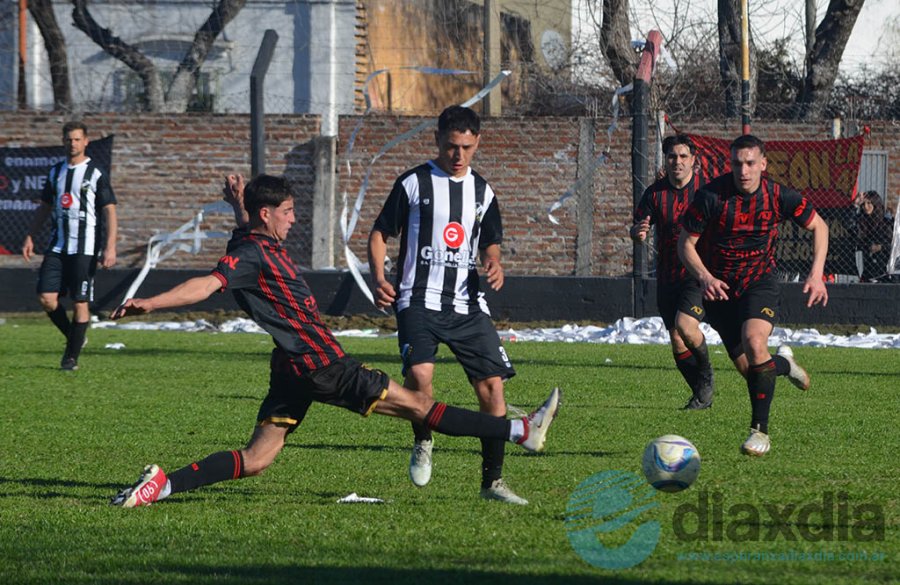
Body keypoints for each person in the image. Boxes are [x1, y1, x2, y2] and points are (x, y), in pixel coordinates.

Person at [109, 173, 560, 508]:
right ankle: (519, 430)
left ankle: (161, 486)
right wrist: (151, 303)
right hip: (322, 365)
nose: (294, 217)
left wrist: (237, 204)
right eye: (287, 211)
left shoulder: (252, 238)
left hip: (291, 371)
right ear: (267, 215)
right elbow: (208, 284)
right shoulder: (250, 254)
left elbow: (244, 233)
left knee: (257, 458)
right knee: (420, 406)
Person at [367, 105, 525, 504]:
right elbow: (380, 233)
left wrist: (495, 263)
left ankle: (492, 481)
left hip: (467, 303)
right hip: (417, 299)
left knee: (492, 388)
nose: (459, 156)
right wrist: (380, 279)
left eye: (467, 148)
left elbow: (490, 242)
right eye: (452, 146)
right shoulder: (414, 183)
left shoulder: (483, 191)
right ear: (437, 140)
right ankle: (423, 438)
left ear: (477, 144)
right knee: (420, 378)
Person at [677, 134, 829, 457]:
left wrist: (816, 275)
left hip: (759, 283)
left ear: (763, 164)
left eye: (749, 163)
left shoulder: (778, 196)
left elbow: (820, 226)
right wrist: (704, 277)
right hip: (719, 290)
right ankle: (785, 365)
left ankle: (760, 433)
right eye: (736, 163)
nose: (743, 170)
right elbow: (684, 243)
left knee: (755, 342)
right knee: (754, 371)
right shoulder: (711, 196)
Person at [21, 121, 118, 371]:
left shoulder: (95, 173)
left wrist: (110, 247)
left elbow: (110, 210)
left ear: (86, 141)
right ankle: (75, 338)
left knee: (79, 302)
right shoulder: (55, 172)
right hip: (58, 246)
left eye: (77, 139)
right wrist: (31, 235)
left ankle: (70, 358)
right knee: (46, 298)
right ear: (63, 141)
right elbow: (45, 206)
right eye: (69, 139)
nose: (72, 143)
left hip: (85, 249)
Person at [630, 134, 715, 410]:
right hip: (667, 276)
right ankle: (701, 396)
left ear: (693, 160)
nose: (677, 162)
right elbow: (639, 228)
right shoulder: (655, 194)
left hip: (697, 273)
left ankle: (707, 377)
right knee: (677, 341)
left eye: (682, 156)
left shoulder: (707, 192)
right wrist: (638, 234)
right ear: (665, 160)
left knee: (686, 326)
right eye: (671, 157)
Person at [856, 190, 892, 282]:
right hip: (868, 269)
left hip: (885, 269)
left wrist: (880, 247)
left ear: (875, 204)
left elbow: (893, 245)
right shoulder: (862, 221)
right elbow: (851, 229)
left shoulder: (885, 222)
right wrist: (856, 204)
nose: (866, 207)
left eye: (869, 203)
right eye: (863, 204)